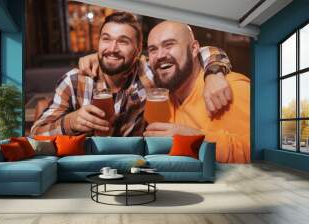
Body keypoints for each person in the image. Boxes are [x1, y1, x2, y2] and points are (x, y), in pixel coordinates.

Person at [30, 12, 232, 137]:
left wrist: (214, 74)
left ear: (137, 52)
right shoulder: (74, 81)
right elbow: (37, 132)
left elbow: (200, 52)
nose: (112, 48)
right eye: (106, 39)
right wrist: (71, 121)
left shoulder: (150, 72)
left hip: (136, 164)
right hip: (86, 166)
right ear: (98, 44)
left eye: (123, 41)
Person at [143, 21, 250, 163]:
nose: (160, 55)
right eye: (153, 49)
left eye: (169, 45)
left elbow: (259, 154)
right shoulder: (161, 99)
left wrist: (195, 140)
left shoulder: (233, 88)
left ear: (194, 49)